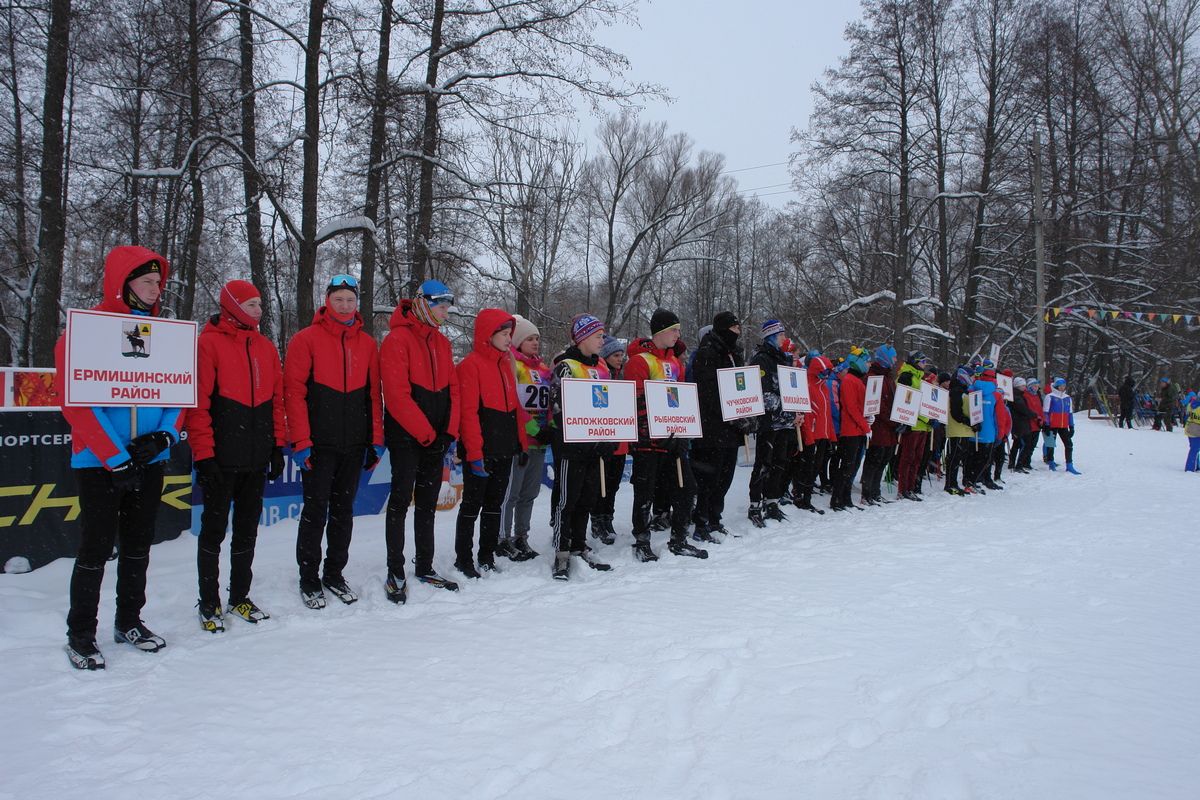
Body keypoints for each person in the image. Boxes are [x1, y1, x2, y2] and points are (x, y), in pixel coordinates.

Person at [55, 246, 185, 669]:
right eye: (147, 281)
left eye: (158, 282)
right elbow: (75, 403)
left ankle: (129, 620)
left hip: (147, 460)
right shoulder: (83, 332)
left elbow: (178, 391)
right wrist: (114, 456)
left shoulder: (164, 335)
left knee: (138, 546)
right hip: (98, 462)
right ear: (122, 283)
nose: (155, 289)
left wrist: (164, 436)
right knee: (95, 549)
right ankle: (81, 635)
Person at [187, 280, 286, 632]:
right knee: (213, 532)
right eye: (252, 304)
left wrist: (277, 445)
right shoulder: (207, 344)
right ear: (232, 306)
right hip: (221, 458)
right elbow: (197, 405)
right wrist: (204, 454)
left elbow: (277, 400)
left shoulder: (265, 347)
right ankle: (209, 601)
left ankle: (239, 596)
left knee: (247, 532)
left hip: (256, 457)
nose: (259, 310)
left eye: (260, 304)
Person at [284, 274, 384, 609]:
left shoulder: (368, 344)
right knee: (315, 512)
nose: (344, 305)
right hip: (319, 444)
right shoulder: (305, 339)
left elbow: (373, 396)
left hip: (354, 444)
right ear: (327, 300)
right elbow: (293, 393)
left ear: (357, 303)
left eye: (350, 300)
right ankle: (309, 578)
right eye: (338, 299)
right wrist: (301, 440)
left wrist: (376, 439)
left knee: (343, 512)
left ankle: (334, 573)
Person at [379, 280, 462, 601]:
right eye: (442, 306)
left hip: (437, 440)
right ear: (425, 303)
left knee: (428, 505)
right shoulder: (397, 339)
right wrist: (428, 435)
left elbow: (453, 390)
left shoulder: (441, 342)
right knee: (400, 502)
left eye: (447, 306)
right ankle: (394, 569)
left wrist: (448, 433)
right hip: (406, 438)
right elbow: (397, 396)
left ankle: (424, 565)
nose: (446, 312)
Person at [625, 308, 707, 561]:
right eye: (674, 330)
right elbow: (636, 403)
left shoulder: (675, 363)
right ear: (660, 332)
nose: (677, 335)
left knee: (687, 488)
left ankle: (679, 539)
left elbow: (681, 402)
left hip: (674, 441)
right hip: (647, 443)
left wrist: (683, 435)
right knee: (645, 492)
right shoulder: (640, 362)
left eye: (678, 330)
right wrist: (652, 435)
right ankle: (641, 541)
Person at [454, 310, 525, 578]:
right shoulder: (470, 365)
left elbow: (514, 406)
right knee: (472, 505)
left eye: (510, 334)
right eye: (505, 335)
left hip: (504, 447)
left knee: (495, 504)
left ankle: (486, 555)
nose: (509, 340)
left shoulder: (506, 364)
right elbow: (468, 413)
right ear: (489, 335)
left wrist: (521, 442)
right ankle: (464, 558)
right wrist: (474, 452)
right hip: (480, 450)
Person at [548, 314, 617, 579]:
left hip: (595, 446)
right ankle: (561, 552)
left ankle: (578, 544)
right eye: (598, 336)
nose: (603, 340)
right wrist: (585, 439)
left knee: (587, 499)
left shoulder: (602, 367)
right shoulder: (565, 366)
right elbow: (558, 409)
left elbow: (610, 407)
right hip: (571, 448)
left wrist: (608, 439)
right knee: (567, 500)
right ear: (583, 338)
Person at [690, 312, 751, 540]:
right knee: (708, 480)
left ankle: (715, 519)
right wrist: (731, 413)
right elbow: (707, 393)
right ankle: (701, 523)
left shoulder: (734, 353)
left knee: (725, 479)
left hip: (730, 430)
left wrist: (748, 413)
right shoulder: (706, 354)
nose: (738, 333)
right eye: (735, 328)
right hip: (711, 428)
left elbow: (742, 388)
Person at [498, 315, 553, 561]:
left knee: (530, 493)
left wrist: (550, 425)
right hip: (520, 440)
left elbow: (550, 403)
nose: (535, 342)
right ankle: (503, 538)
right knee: (512, 494)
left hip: (540, 442)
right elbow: (513, 404)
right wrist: (532, 428)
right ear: (518, 341)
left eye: (537, 339)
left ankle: (522, 535)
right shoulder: (513, 365)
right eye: (529, 338)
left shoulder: (542, 369)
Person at [747, 320, 795, 526]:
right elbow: (764, 393)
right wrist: (785, 407)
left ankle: (772, 501)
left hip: (784, 423)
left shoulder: (784, 359)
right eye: (781, 335)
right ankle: (755, 503)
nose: (784, 338)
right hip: (768, 422)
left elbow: (792, 390)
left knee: (779, 463)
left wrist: (795, 409)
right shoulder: (761, 359)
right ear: (772, 336)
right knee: (763, 463)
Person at [590, 334, 628, 545]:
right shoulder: (600, 377)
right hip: (602, 438)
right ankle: (596, 519)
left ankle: (608, 518)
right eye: (615, 355)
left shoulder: (622, 377)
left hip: (620, 440)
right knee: (599, 484)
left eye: (621, 355)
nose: (620, 358)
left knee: (612, 484)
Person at [794, 355, 835, 513]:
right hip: (812, 434)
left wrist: (832, 437)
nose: (827, 375)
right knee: (807, 467)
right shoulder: (808, 386)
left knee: (816, 467)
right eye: (825, 371)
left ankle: (807, 497)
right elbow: (807, 414)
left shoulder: (824, 387)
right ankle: (800, 496)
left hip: (823, 434)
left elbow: (827, 414)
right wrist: (809, 438)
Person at [830, 347, 870, 510]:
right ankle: (837, 499)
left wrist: (867, 419)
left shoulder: (856, 380)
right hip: (851, 430)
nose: (869, 364)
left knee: (852, 466)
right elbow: (851, 407)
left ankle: (845, 499)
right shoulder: (849, 381)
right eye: (867, 361)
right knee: (846, 466)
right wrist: (864, 424)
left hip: (857, 429)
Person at [860, 346, 898, 505]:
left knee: (883, 459)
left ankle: (875, 492)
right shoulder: (873, 377)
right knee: (874, 460)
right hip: (878, 427)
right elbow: (877, 404)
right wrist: (892, 418)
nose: (895, 360)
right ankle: (867, 492)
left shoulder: (888, 377)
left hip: (889, 428)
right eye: (893, 357)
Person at [895, 351, 933, 500]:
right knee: (908, 459)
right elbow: (909, 403)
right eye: (923, 362)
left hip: (922, 425)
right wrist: (925, 418)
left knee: (917, 459)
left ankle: (911, 487)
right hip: (913, 424)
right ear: (916, 362)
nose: (925, 365)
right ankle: (903, 489)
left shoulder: (918, 377)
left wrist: (930, 417)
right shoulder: (907, 376)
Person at [1043, 377, 1080, 473]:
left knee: (1069, 444)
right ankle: (1051, 463)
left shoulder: (1067, 398)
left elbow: (1070, 413)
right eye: (1060, 386)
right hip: (1052, 424)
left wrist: (1071, 426)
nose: (1062, 388)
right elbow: (1045, 412)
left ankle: (1069, 465)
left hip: (1063, 425)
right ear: (1056, 386)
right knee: (1051, 444)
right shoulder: (1049, 396)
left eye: (1063, 386)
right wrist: (1046, 425)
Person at [1006, 376, 1038, 474]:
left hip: (1021, 422)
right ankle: (1019, 464)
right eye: (1022, 385)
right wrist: (1033, 414)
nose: (1024, 387)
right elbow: (1022, 409)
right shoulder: (1016, 396)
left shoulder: (1019, 395)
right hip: (1020, 423)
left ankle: (1012, 463)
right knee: (1026, 444)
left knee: (1018, 443)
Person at [1185, 395, 1200, 471]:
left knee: (1194, 448)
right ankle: (1190, 468)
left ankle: (1196, 465)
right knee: (1195, 449)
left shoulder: (1190, 405)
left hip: (1190, 428)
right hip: (1197, 430)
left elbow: (1186, 417)